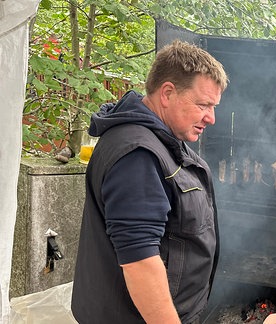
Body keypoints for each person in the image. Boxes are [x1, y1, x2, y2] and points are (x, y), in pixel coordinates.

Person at [71, 40, 228, 324]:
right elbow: (140, 263)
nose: (212, 118)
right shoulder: (138, 155)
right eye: (204, 105)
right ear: (167, 93)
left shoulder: (162, 142)